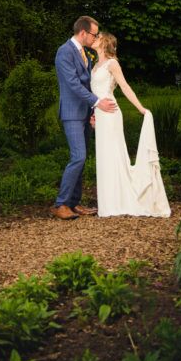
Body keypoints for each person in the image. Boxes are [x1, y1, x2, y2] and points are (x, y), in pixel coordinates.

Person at [91, 32, 171, 217]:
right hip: (100, 115)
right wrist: (93, 115)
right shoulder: (95, 66)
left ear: (105, 42)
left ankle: (119, 201)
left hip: (111, 114)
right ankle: (108, 202)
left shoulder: (112, 63)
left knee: (114, 155)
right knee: (104, 157)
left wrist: (141, 109)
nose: (95, 38)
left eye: (98, 36)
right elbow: (95, 94)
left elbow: (125, 87)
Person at [50, 15, 118, 220]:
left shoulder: (85, 53)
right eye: (94, 34)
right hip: (71, 113)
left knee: (82, 157)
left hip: (85, 112)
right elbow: (73, 84)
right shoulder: (64, 52)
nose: (96, 37)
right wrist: (97, 103)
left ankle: (74, 202)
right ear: (83, 33)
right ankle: (60, 204)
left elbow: (89, 84)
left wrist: (92, 112)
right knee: (78, 156)